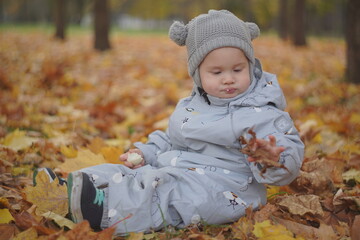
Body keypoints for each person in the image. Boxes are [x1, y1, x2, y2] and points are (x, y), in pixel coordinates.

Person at [39, 10, 304, 235]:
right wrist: (147, 152)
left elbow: (286, 155)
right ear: (198, 74)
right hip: (180, 169)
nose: (228, 79)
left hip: (225, 190)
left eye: (237, 69)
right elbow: (172, 139)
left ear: (250, 65)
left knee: (164, 192)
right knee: (134, 174)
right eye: (217, 72)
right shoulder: (192, 106)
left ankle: (102, 210)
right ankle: (71, 188)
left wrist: (272, 159)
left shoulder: (262, 112)